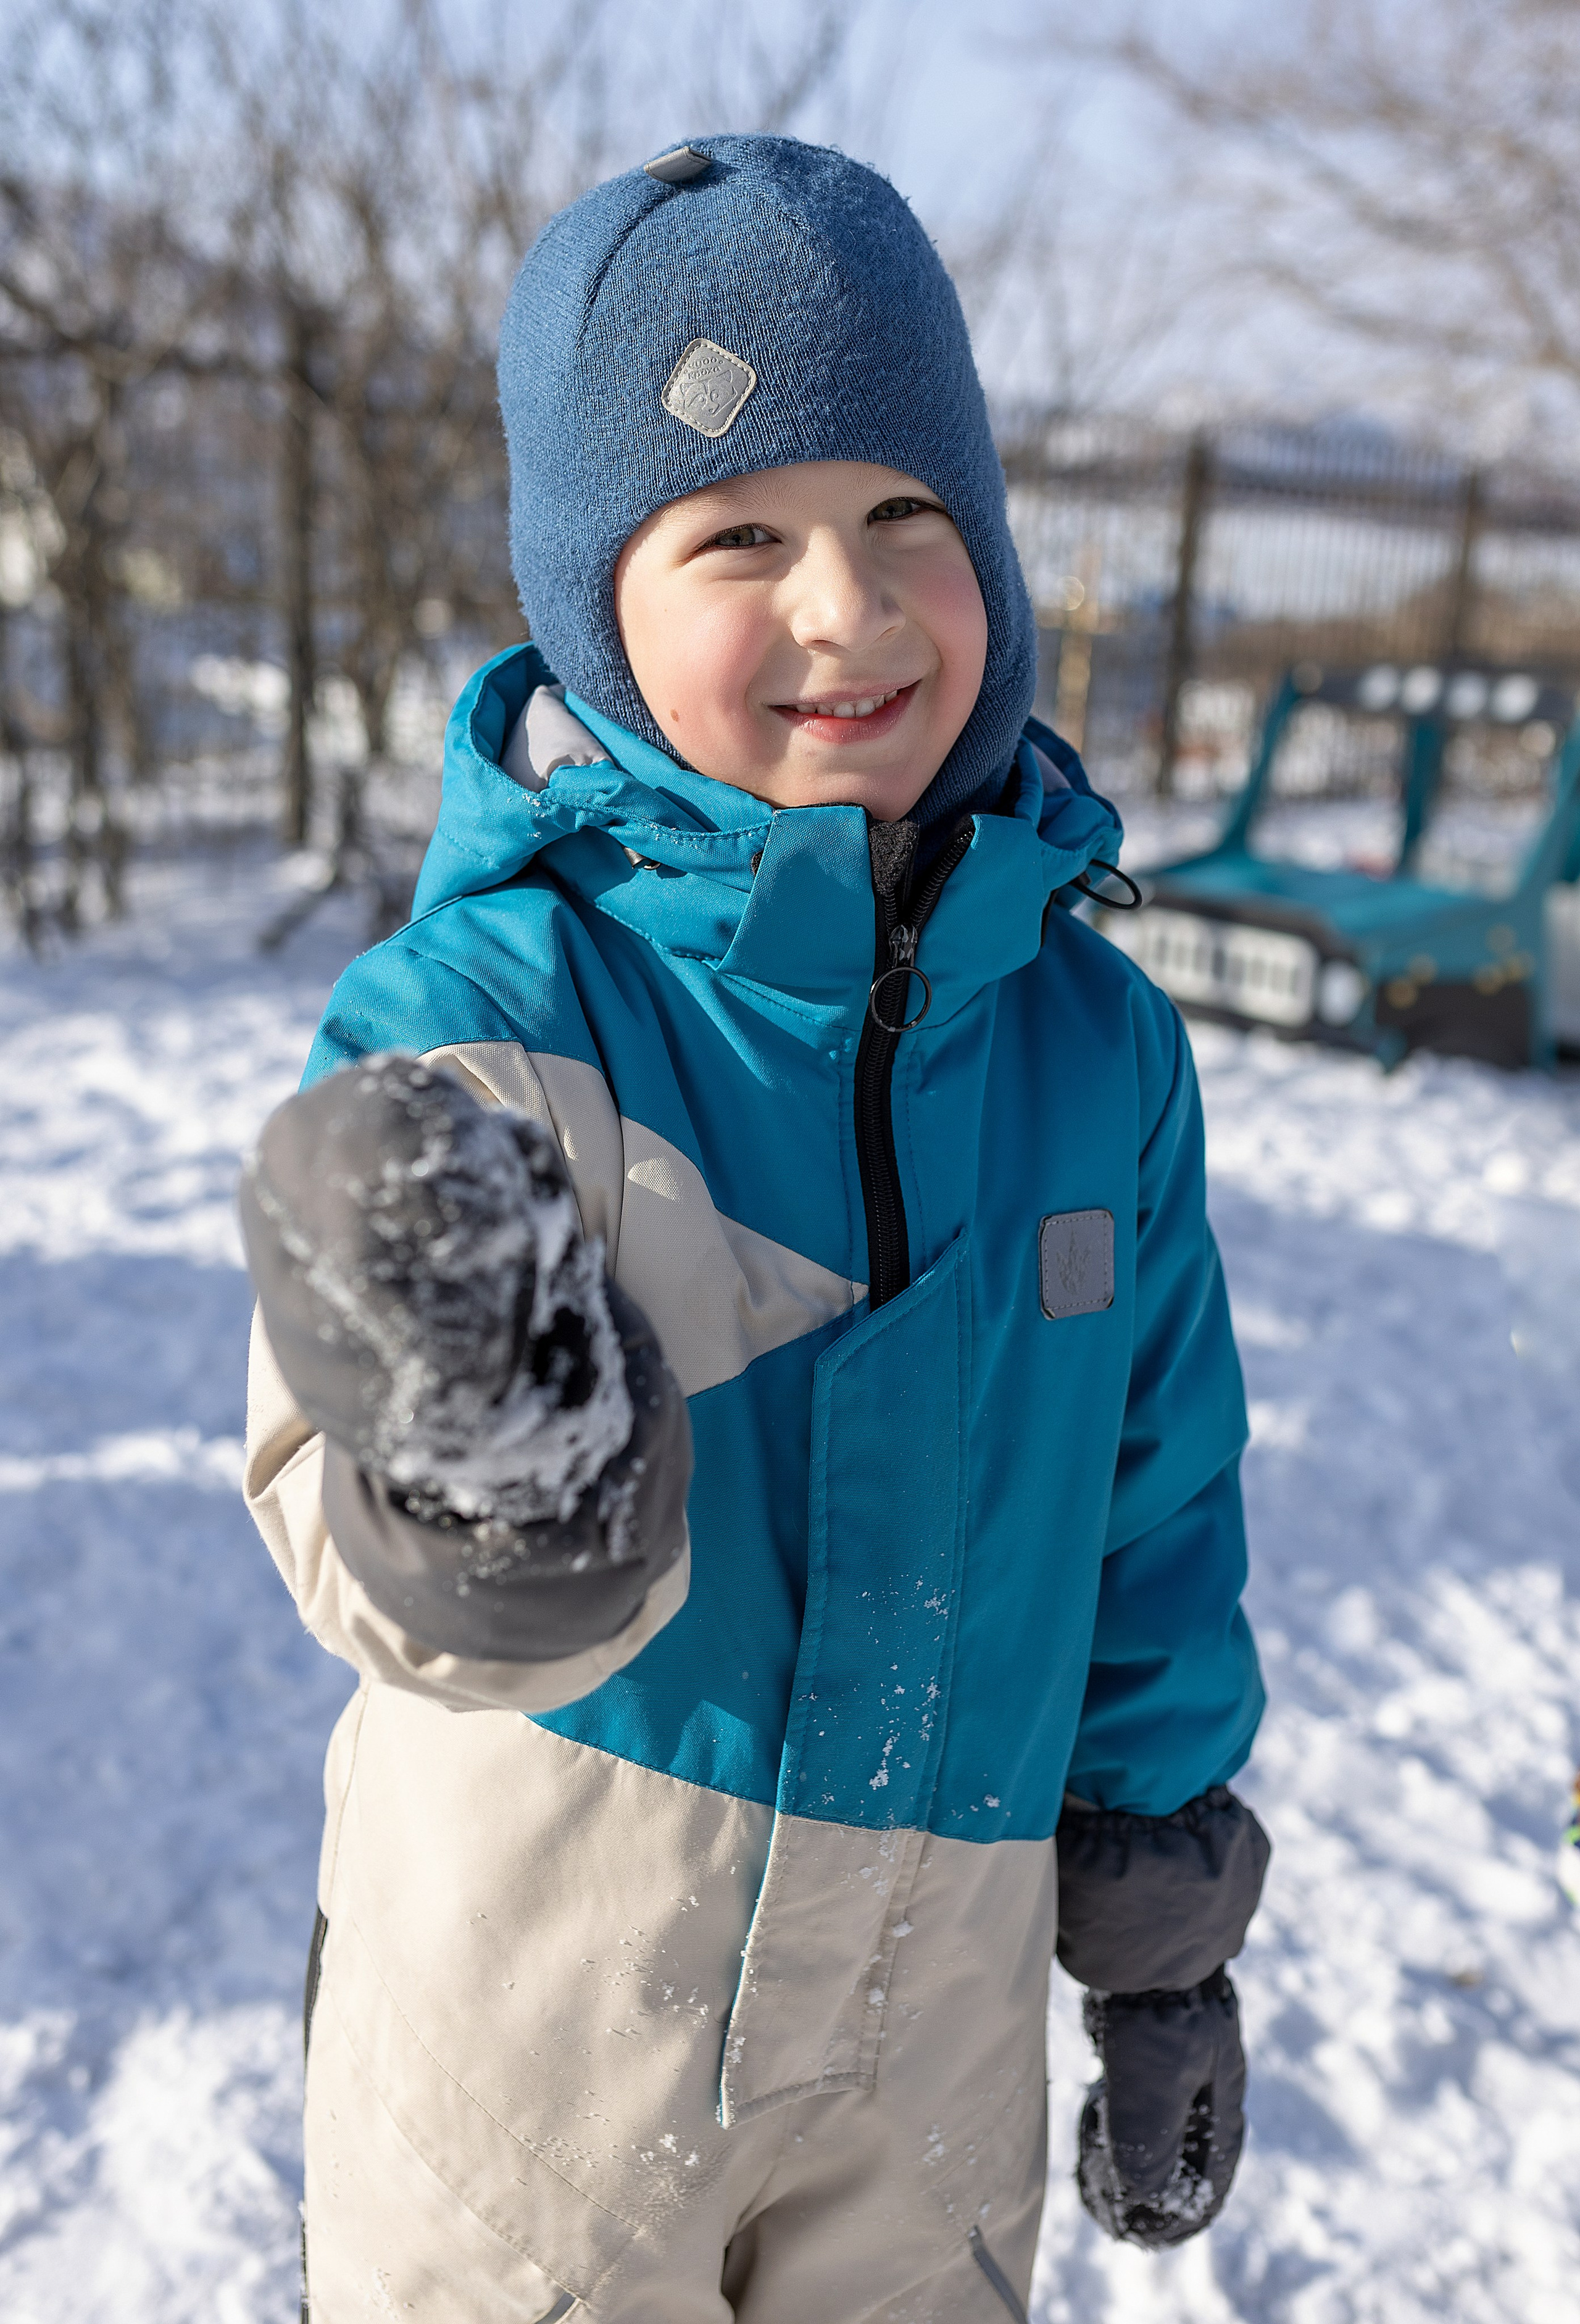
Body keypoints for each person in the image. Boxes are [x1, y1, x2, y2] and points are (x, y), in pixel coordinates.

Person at [240, 135, 1270, 2324]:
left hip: (936, 2051)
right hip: (543, 2045)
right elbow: (341, 1500)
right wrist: (491, 1494)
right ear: (592, 606)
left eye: (913, 517)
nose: (852, 607)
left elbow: (1157, 1507)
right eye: (742, 537)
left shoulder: (1097, 1053)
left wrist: (1165, 1947)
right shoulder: (499, 1024)